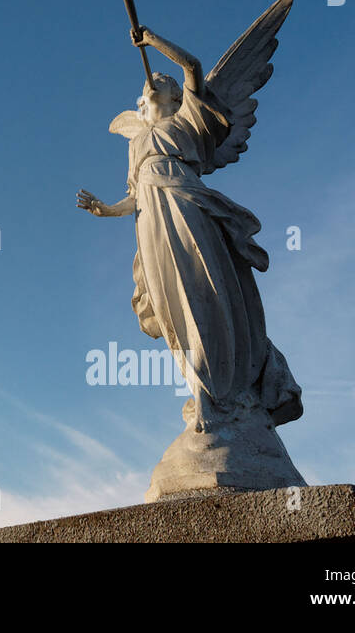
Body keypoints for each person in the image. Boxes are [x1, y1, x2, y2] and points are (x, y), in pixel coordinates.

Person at [77, 25, 301, 433]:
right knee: (172, 305)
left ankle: (224, 389)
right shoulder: (136, 142)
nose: (155, 79)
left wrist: (151, 40)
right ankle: (201, 391)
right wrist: (106, 210)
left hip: (185, 205)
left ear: (175, 96)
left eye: (162, 79)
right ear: (143, 104)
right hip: (151, 220)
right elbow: (136, 194)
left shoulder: (189, 119)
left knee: (203, 293)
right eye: (150, 85)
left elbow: (193, 66)